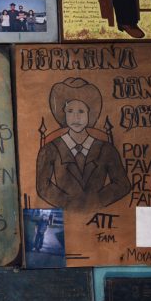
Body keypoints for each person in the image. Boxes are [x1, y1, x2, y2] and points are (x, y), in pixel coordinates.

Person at [35, 77, 131, 211]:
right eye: (70, 111)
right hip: (65, 213)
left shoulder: (107, 150)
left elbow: (122, 185)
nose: (76, 117)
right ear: (63, 114)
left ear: (89, 114)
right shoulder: (49, 149)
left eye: (81, 111)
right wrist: (68, 203)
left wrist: (95, 202)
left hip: (99, 214)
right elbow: (43, 187)